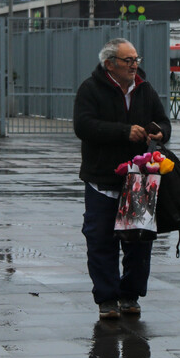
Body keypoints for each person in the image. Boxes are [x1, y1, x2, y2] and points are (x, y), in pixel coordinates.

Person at [73, 38, 172, 320]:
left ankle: (130, 295)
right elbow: (83, 126)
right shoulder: (90, 89)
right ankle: (107, 298)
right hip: (102, 179)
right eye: (128, 61)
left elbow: (164, 122)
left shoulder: (145, 89)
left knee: (139, 242)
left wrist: (160, 133)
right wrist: (123, 132)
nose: (134, 66)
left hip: (139, 180)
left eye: (136, 60)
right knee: (101, 240)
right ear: (110, 64)